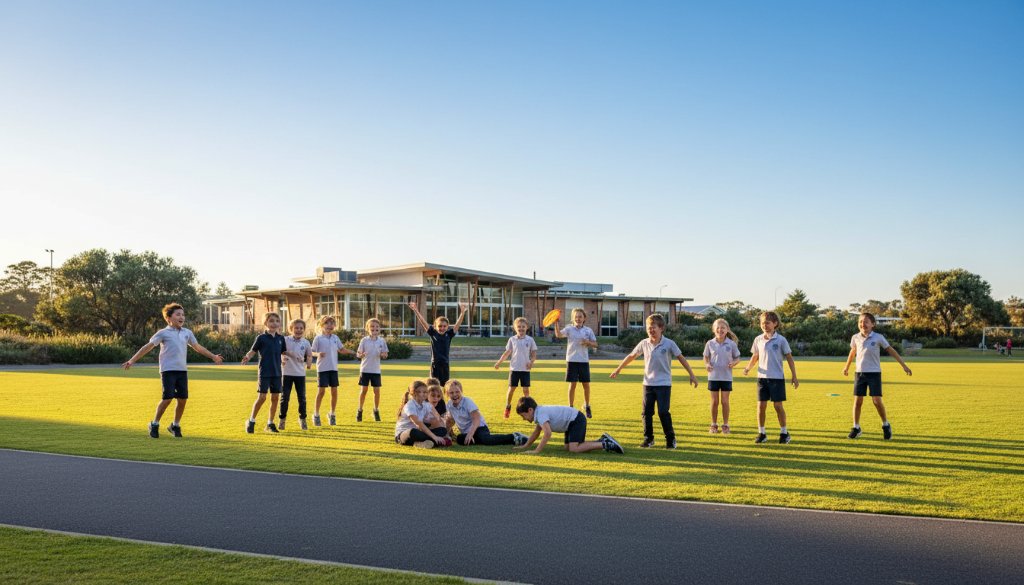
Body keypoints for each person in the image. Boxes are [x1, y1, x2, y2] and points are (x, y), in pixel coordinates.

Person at [123, 302, 223, 438]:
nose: (181, 317)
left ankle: (175, 425)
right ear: (168, 318)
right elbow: (148, 346)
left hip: (182, 371)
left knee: (182, 399)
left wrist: (213, 356)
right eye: (178, 314)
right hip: (167, 370)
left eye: (183, 314)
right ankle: (154, 424)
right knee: (167, 398)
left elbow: (197, 347)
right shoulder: (163, 333)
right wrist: (132, 360)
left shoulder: (187, 333)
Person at [610, 314, 698, 449]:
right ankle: (648, 439)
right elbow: (631, 356)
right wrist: (618, 369)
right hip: (648, 384)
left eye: (653, 327)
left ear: (661, 328)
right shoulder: (644, 343)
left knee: (663, 412)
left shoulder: (669, 343)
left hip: (663, 384)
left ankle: (670, 439)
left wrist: (691, 374)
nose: (651, 330)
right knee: (646, 413)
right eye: (648, 328)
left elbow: (681, 358)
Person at [842, 312, 912, 440]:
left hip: (874, 373)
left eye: (866, 321)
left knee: (876, 401)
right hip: (859, 373)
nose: (863, 324)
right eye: (860, 321)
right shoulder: (855, 337)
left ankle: (886, 425)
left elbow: (891, 350)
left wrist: (904, 365)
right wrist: (846, 367)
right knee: (857, 402)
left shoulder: (878, 337)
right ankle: (856, 428)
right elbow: (853, 352)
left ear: (873, 324)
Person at [742, 311, 799, 444]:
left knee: (778, 406)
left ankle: (784, 433)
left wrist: (794, 376)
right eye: (762, 323)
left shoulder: (781, 340)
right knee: (761, 406)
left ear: (775, 324)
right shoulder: (758, 339)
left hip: (777, 378)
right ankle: (762, 433)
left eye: (767, 323)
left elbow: (789, 358)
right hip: (762, 378)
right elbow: (755, 356)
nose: (764, 325)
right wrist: (747, 368)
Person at [242, 313, 299, 434]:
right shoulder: (261, 338)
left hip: (277, 373)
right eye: (271, 321)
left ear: (280, 323)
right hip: (264, 372)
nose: (274, 323)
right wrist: (247, 357)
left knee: (275, 398)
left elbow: (283, 352)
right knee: (262, 397)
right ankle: (251, 421)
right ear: (266, 323)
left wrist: (289, 357)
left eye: (277, 321)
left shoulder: (280, 338)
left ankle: (270, 423)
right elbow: (253, 351)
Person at [513, 397, 623, 454]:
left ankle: (606, 444)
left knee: (574, 449)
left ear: (530, 410)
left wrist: (537, 450)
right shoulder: (538, 413)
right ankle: (601, 440)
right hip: (571, 422)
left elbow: (547, 433)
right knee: (568, 448)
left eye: (523, 416)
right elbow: (536, 432)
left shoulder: (540, 414)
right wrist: (525, 446)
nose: (524, 419)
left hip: (576, 420)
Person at [444, 379, 528, 446]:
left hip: (479, 428)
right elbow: (450, 421)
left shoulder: (467, 401)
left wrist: (470, 434)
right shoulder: (449, 405)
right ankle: (474, 439)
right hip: (466, 432)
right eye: (451, 393)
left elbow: (476, 419)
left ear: (461, 391)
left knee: (486, 440)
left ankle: (514, 437)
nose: (455, 394)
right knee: (460, 439)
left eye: (457, 392)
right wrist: (446, 435)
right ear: (447, 394)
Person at [409, 300, 468, 386]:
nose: (442, 328)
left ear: (447, 327)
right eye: (440, 326)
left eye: (444, 326)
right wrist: (416, 310)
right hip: (435, 365)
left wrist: (462, 313)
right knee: (432, 387)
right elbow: (423, 322)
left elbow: (457, 324)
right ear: (435, 326)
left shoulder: (449, 334)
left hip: (445, 365)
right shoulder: (433, 333)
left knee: (445, 387)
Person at [554, 308, 598, 418]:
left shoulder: (588, 330)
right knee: (572, 385)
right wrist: (556, 323)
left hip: (583, 361)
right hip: (572, 360)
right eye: (576, 316)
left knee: (586, 385)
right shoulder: (569, 329)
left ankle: (587, 406)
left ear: (584, 318)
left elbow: (596, 344)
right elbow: (559, 335)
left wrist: (587, 342)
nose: (578, 318)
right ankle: (570, 408)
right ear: (573, 318)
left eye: (580, 317)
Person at [311, 315, 355, 426]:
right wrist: (318, 354)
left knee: (334, 392)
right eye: (327, 323)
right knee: (321, 392)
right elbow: (311, 352)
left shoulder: (335, 338)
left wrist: (354, 352)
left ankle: (332, 414)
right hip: (322, 369)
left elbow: (341, 349)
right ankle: (316, 414)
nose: (330, 326)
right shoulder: (318, 338)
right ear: (322, 325)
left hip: (333, 369)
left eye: (332, 323)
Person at [703, 318, 742, 434]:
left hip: (726, 377)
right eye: (718, 327)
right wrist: (707, 364)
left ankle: (725, 425)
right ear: (714, 330)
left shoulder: (731, 344)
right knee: (714, 402)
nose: (720, 329)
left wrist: (734, 363)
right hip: (713, 377)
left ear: (727, 330)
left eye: (723, 327)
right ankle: (713, 424)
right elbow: (705, 356)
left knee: (725, 401)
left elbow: (737, 358)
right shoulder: (710, 343)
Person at [494, 317, 538, 419]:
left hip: (525, 370)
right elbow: (507, 353)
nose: (521, 328)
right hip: (514, 369)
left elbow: (534, 354)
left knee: (526, 390)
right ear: (515, 328)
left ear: (527, 327)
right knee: (511, 389)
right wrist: (499, 362)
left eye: (523, 326)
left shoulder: (530, 340)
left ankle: (527, 408)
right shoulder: (512, 339)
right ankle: (508, 406)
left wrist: (531, 362)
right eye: (519, 327)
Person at [394, 380, 451, 448]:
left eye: (425, 392)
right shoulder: (410, 405)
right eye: (421, 392)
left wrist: (446, 435)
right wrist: (435, 437)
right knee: (413, 432)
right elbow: (418, 423)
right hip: (404, 434)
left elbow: (439, 419)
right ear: (413, 393)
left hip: (420, 432)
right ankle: (435, 441)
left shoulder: (426, 405)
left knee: (442, 430)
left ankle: (422, 443)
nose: (424, 394)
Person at [279, 319, 312, 431]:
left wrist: (309, 363)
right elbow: (280, 351)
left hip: (300, 374)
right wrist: (283, 359)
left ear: (304, 330)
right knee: (284, 398)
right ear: (291, 329)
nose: (299, 330)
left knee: (302, 399)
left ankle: (302, 419)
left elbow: (309, 355)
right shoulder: (285, 340)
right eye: (296, 328)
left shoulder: (306, 342)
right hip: (286, 373)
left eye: (301, 328)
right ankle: (282, 420)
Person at [355, 318, 388, 422]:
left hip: (376, 371)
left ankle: (376, 410)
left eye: (377, 327)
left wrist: (383, 355)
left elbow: (385, 354)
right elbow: (358, 354)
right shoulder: (364, 340)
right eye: (372, 327)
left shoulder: (382, 341)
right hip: (365, 370)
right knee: (364, 390)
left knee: (377, 391)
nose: (375, 328)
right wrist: (361, 355)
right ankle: (360, 410)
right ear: (368, 328)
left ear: (380, 329)